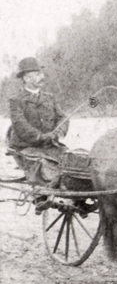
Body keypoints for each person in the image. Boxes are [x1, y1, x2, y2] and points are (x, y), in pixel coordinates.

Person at [6, 57, 68, 189]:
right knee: (41, 166)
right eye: (37, 74)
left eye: (42, 74)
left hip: (51, 145)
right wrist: (40, 137)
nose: (42, 77)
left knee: (72, 161)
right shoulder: (16, 100)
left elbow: (63, 117)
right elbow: (19, 125)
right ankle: (41, 195)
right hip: (26, 147)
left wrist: (58, 132)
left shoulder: (50, 98)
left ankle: (74, 195)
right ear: (26, 78)